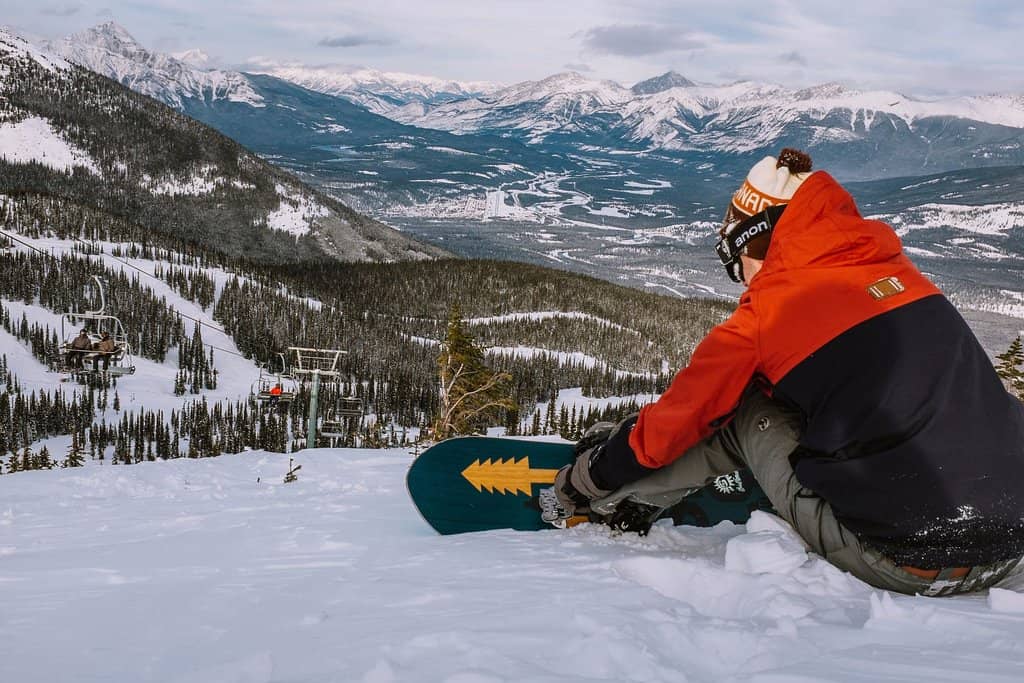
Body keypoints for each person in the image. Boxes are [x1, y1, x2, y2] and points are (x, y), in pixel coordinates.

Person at [553, 148, 1024, 597]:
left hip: (909, 564)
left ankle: (625, 501)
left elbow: (682, 418)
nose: (743, 277)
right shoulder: (906, 279)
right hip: (1011, 549)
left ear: (752, 239)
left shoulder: (766, 317)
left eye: (738, 263)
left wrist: (593, 474)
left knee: (742, 405)